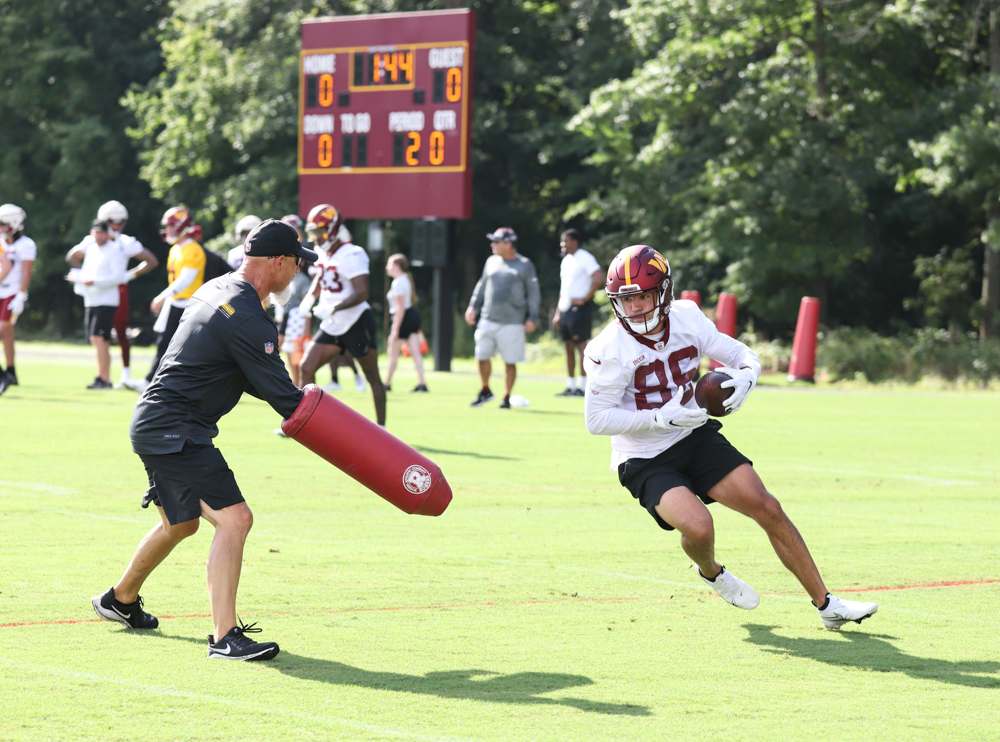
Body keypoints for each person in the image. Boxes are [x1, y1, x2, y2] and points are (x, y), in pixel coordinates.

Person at [583, 244, 879, 630]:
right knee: (700, 526)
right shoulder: (607, 348)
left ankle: (827, 605)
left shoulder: (687, 318)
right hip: (643, 455)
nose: (636, 308)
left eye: (643, 296)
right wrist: (659, 417)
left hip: (693, 436)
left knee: (767, 506)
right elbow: (596, 419)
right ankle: (711, 572)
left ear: (664, 292)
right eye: (627, 300)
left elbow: (741, 355)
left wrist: (748, 379)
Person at [91, 219, 317, 661]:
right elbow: (285, 399)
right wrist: (336, 427)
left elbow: (243, 369)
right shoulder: (249, 315)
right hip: (176, 427)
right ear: (277, 262)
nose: (297, 272)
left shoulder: (221, 288)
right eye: (296, 263)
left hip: (156, 421)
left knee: (182, 524)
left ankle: (119, 600)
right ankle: (224, 637)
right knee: (235, 520)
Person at [297, 204, 386, 425]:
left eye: (320, 231)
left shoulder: (353, 253)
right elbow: (321, 276)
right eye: (314, 232)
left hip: (356, 321)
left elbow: (362, 292)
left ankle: (382, 427)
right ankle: (305, 422)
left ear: (334, 229)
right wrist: (310, 297)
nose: (316, 237)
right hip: (332, 322)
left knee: (372, 375)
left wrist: (333, 307)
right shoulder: (322, 253)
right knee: (306, 367)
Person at [66, 220, 158, 389]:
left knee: (100, 338)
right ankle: (100, 376)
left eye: (102, 233)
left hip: (107, 299)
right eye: (96, 232)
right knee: (95, 339)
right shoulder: (91, 249)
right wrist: (79, 279)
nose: (99, 236)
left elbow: (117, 277)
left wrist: (94, 282)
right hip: (92, 299)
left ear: (108, 234)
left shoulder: (115, 251)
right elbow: (84, 269)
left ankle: (104, 378)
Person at [132, 206, 207, 392]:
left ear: (182, 226)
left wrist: (162, 296)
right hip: (175, 303)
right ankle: (152, 380)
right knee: (164, 344)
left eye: (172, 226)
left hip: (191, 306)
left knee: (190, 349)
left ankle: (190, 384)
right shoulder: (176, 249)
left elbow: (185, 280)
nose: (168, 230)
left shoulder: (193, 249)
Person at [464, 227, 540, 409]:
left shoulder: (524, 264)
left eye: (496, 241)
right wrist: (472, 306)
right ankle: (485, 390)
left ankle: (506, 397)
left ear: (508, 243)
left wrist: (533, 317)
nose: (493, 245)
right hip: (487, 318)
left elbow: (533, 293)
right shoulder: (491, 261)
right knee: (481, 356)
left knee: (510, 361)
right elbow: (481, 285)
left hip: (512, 321)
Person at [553, 228, 603, 397]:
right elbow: (564, 288)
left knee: (582, 346)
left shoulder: (585, 257)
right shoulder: (566, 260)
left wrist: (585, 298)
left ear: (575, 242)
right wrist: (558, 312)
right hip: (566, 309)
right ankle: (570, 385)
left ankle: (583, 386)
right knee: (568, 346)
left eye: (565, 241)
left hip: (579, 308)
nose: (562, 244)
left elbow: (598, 277)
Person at [0, 204, 35, 394]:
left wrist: (21, 295)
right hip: (0, 291)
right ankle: (9, 372)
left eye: (2, 223)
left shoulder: (25, 244)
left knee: (5, 328)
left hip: (13, 291)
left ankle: (10, 370)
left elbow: (27, 272)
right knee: (4, 332)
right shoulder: (2, 242)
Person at [383, 253, 427, 393]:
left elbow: (400, 308)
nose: (387, 267)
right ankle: (422, 383)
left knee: (393, 352)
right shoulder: (404, 280)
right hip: (411, 315)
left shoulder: (398, 282)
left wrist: (395, 329)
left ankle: (387, 383)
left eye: (390, 264)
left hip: (403, 318)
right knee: (415, 352)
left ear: (397, 266)